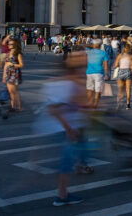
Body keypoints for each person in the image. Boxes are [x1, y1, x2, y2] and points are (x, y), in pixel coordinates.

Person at [36, 57, 92, 207]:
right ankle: (62, 195)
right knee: (65, 163)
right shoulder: (66, 85)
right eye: (81, 68)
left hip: (55, 129)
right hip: (61, 130)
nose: (82, 71)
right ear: (72, 69)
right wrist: (69, 128)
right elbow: (54, 110)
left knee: (65, 162)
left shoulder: (54, 82)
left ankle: (62, 193)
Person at [84, 40, 109, 109]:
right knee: (98, 89)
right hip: (99, 73)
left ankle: (90, 102)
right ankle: (95, 104)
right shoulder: (104, 53)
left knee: (89, 88)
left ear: (93, 45)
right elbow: (106, 65)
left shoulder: (89, 52)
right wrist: (107, 74)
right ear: (101, 45)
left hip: (89, 72)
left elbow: (83, 45)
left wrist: (92, 45)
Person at [2, 40, 25, 112]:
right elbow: (5, 65)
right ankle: (13, 106)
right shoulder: (8, 53)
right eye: (8, 44)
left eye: (11, 44)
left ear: (15, 45)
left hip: (15, 73)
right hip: (8, 74)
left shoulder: (17, 54)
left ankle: (20, 107)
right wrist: (4, 76)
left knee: (14, 91)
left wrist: (12, 65)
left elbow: (21, 65)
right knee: (10, 91)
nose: (9, 45)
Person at [114, 44, 132, 110]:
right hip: (128, 72)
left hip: (121, 72)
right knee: (128, 89)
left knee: (120, 89)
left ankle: (119, 103)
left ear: (124, 49)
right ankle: (128, 105)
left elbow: (115, 65)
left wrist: (118, 65)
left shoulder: (120, 56)